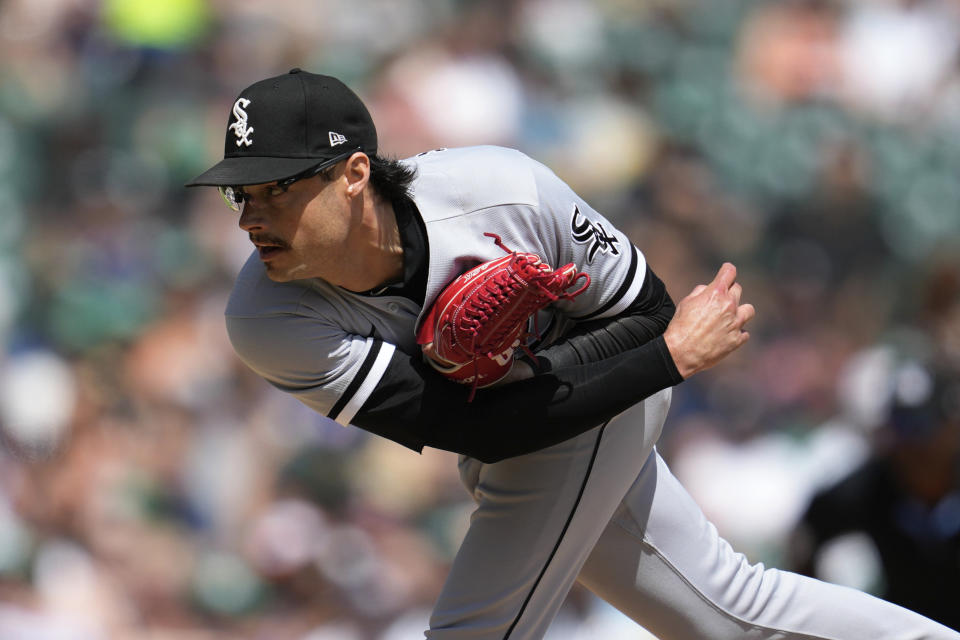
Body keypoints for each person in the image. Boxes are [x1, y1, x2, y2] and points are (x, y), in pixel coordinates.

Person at [186, 68, 959, 639]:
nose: (252, 215)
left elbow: (650, 313)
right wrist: (642, 361)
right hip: (522, 423)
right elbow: (477, 429)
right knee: (726, 614)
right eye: (238, 195)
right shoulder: (267, 317)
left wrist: (654, 361)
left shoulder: (500, 190)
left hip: (612, 387)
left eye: (275, 188)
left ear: (354, 174)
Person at [792, 359, 960, 630]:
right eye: (903, 430)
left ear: (953, 429)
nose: (914, 446)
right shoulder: (868, 490)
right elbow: (808, 536)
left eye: (925, 430)